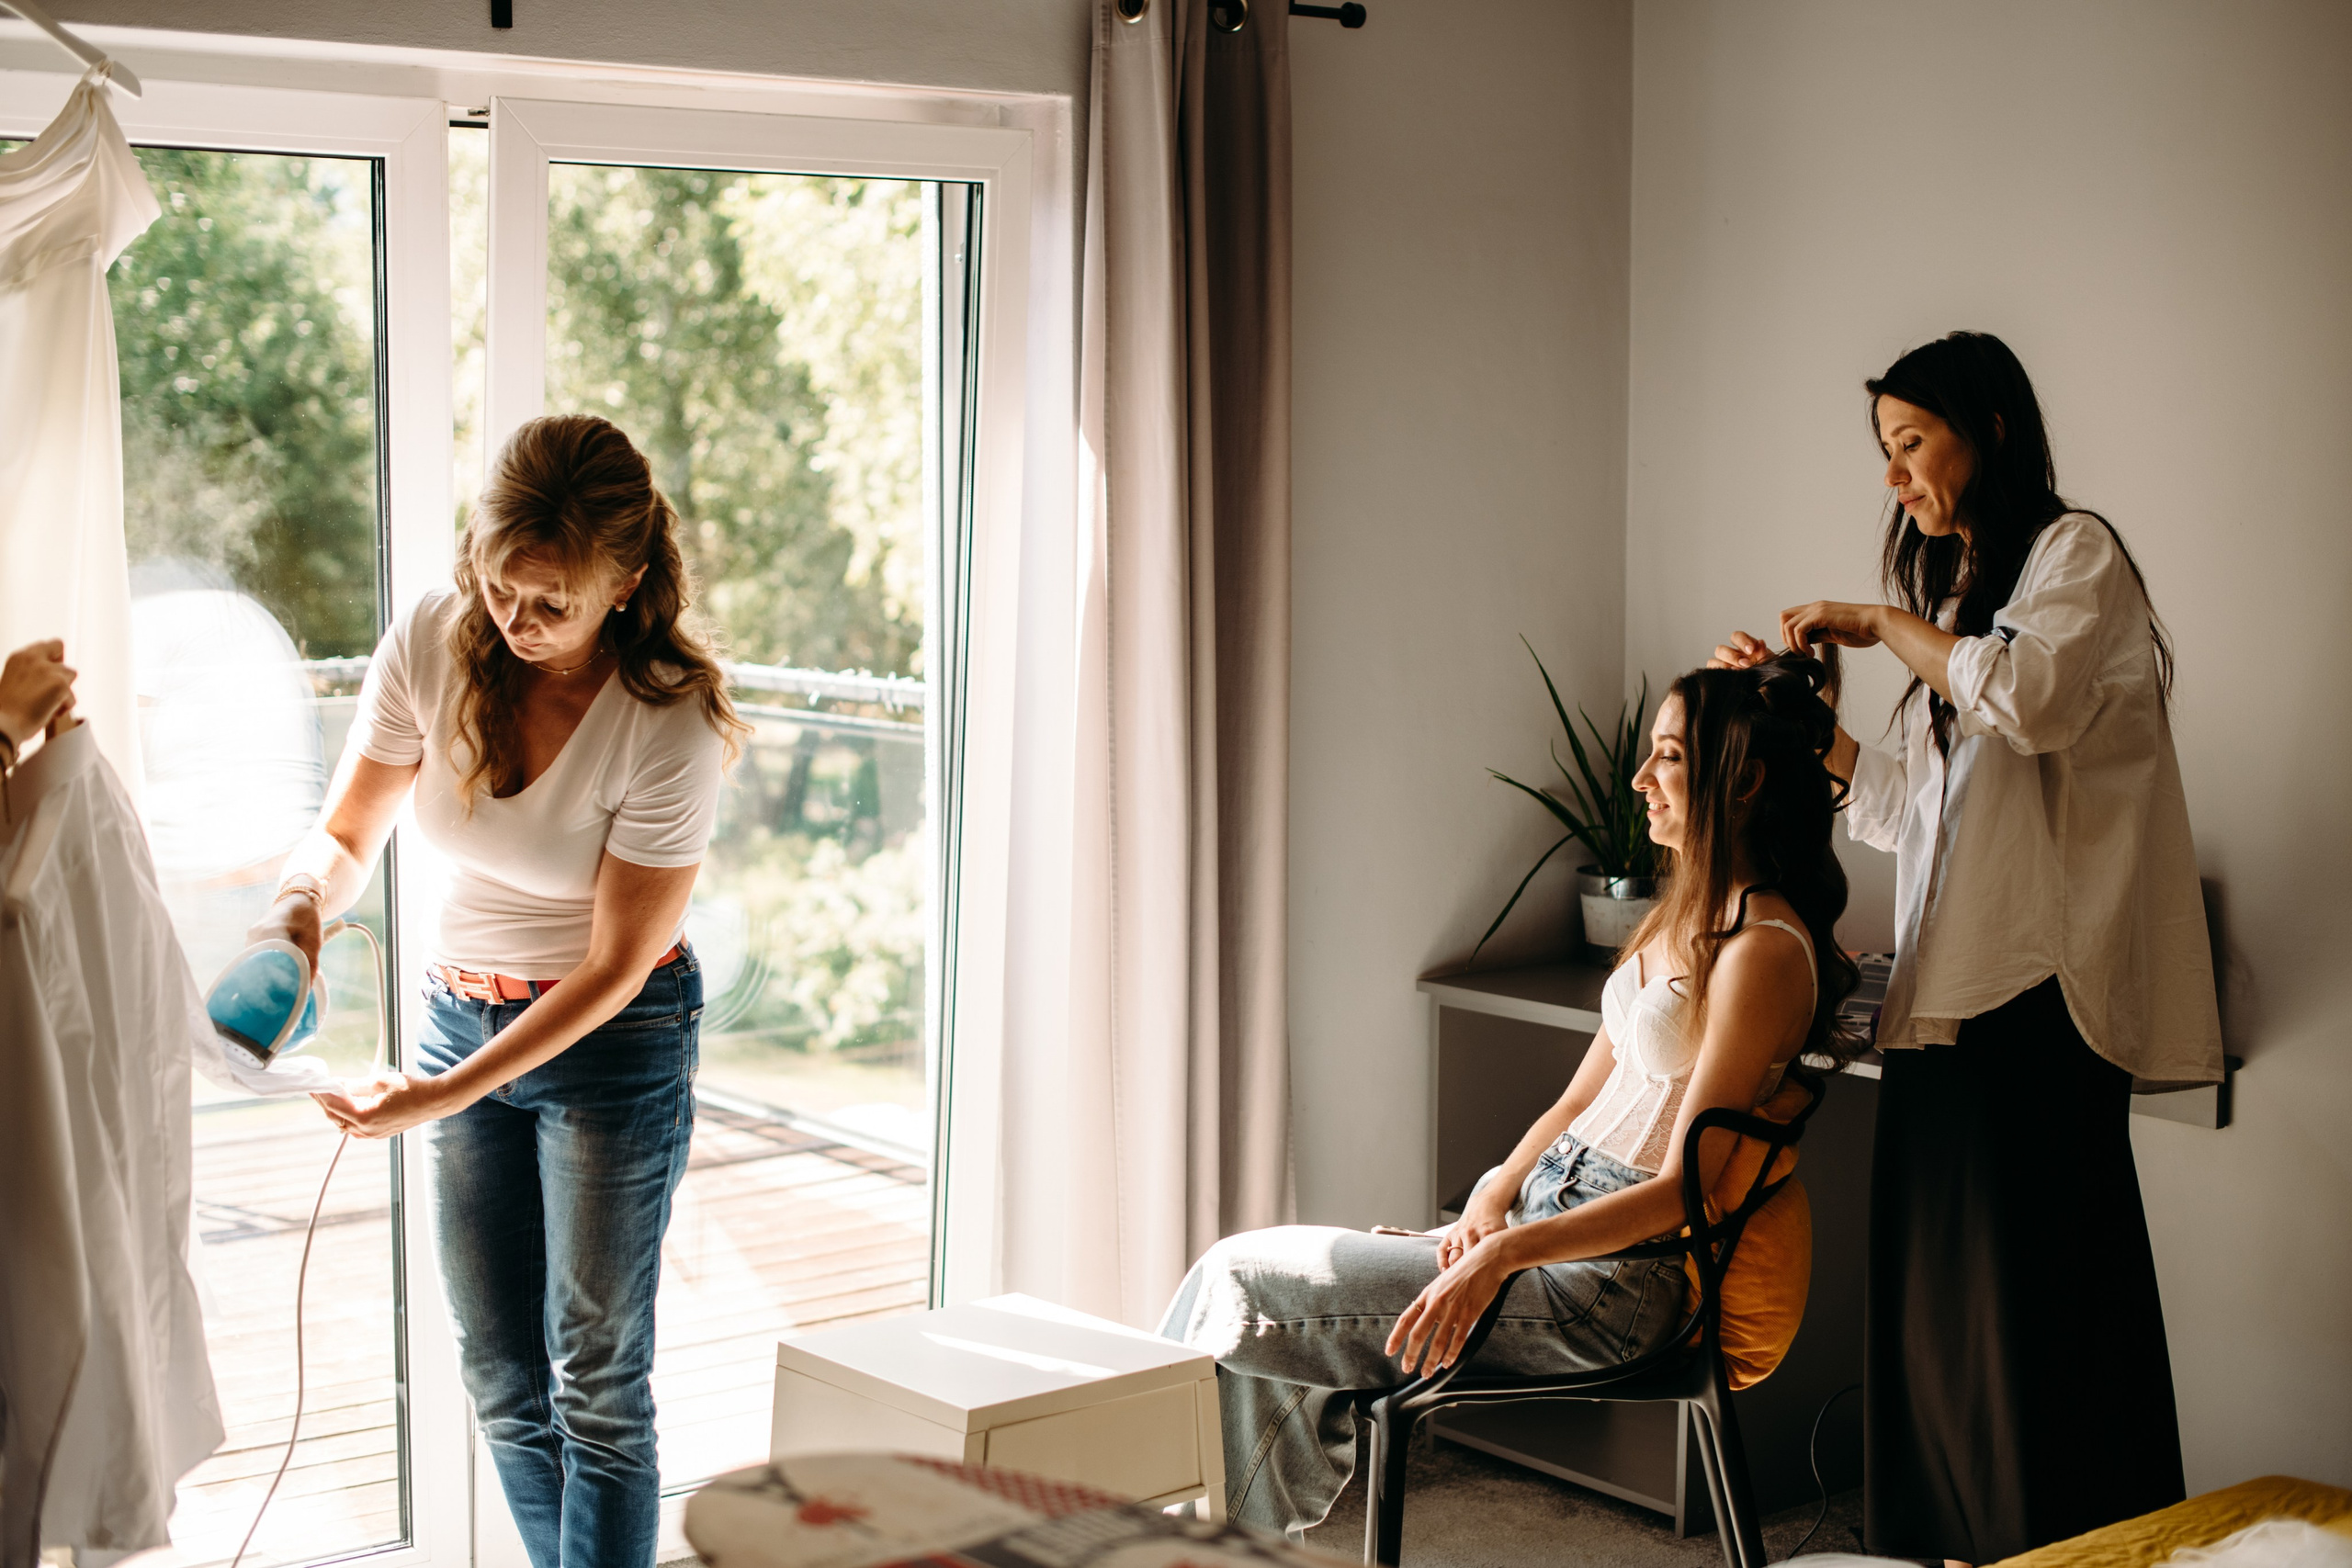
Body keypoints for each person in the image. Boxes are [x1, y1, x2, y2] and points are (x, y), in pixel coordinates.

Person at [1711, 331, 2221, 1567]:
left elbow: (2033, 698)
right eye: (1883, 452)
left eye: (1910, 442)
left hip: (2040, 1004)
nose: (1894, 476)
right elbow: (1911, 816)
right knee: (1937, 1329)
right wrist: (1810, 731)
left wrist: (1882, 621)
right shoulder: (1966, 610)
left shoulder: (2075, 559)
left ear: (1983, 430)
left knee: (2040, 1324)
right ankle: (1947, 1550)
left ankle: (2079, 1548)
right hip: (1944, 1005)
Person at [1159, 654, 1859, 1539]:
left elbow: (1685, 1190)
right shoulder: (1677, 917)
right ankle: (1206, 1548)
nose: (1642, 778)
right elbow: (1572, 1106)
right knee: (1267, 1356)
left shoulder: (1763, 948)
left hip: (1612, 1286)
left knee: (1239, 1278)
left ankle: (1142, 1539)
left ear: (1745, 778)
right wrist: (1491, 1195)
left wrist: (1505, 1255)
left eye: (1671, 757)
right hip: (1550, 1221)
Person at [252, 414, 745, 1568]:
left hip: (611, 1042)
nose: (515, 624)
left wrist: (431, 1097)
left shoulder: (670, 721)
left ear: (624, 586)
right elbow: (346, 830)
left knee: (598, 1379)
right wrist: (299, 911)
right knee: (498, 1369)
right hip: (456, 1013)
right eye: (499, 586)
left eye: (551, 605)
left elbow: (617, 965)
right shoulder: (433, 636)